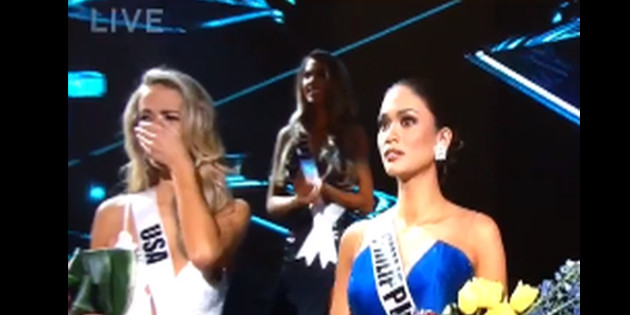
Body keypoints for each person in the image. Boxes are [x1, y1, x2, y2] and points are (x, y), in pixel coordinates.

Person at [330, 78, 507, 315]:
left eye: (407, 121)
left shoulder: (478, 232)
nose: (390, 135)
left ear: (442, 138)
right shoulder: (355, 239)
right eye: (384, 125)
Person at [87, 67, 251, 315]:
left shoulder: (231, 212)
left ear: (197, 125)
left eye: (170, 117)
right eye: (146, 118)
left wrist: (180, 164)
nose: (156, 129)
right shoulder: (113, 214)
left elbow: (204, 254)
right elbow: (90, 309)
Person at [266, 49, 375, 315]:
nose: (311, 81)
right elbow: (271, 204)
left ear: (334, 83)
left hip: (340, 250)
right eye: (307, 75)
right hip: (298, 251)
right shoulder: (289, 137)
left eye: (320, 75)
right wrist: (298, 200)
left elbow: (367, 202)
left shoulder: (352, 135)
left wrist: (326, 191)